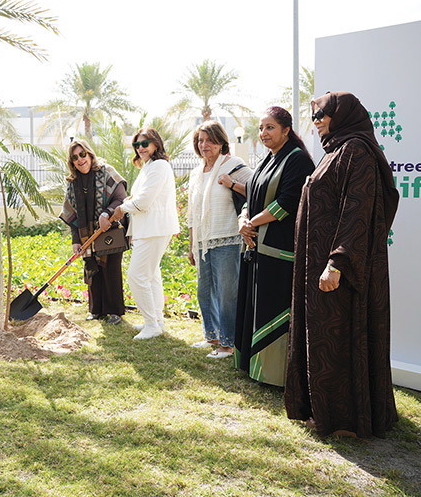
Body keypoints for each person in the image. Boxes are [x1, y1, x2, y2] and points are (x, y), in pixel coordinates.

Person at [285, 92, 400, 438]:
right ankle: (324, 410)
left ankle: (345, 420)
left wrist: (337, 262)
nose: (317, 121)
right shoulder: (335, 151)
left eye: (322, 114)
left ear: (344, 115)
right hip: (319, 262)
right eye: (314, 116)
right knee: (324, 336)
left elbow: (357, 210)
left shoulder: (357, 152)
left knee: (337, 337)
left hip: (342, 269)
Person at [233, 107, 314, 387]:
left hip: (279, 252)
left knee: (273, 309)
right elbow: (251, 194)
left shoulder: (298, 159)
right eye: (261, 128)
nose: (263, 133)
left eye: (270, 127)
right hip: (256, 247)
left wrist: (251, 223)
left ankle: (274, 375)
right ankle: (253, 366)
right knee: (255, 306)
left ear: (286, 130)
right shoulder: (268, 158)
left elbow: (288, 202)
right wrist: (243, 219)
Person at [187, 120, 253, 359]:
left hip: (227, 239)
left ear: (221, 142)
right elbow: (192, 213)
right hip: (203, 241)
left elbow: (257, 189)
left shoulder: (233, 165)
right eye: (200, 140)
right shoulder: (197, 172)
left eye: (210, 140)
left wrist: (231, 183)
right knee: (204, 291)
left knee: (226, 294)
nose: (204, 145)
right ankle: (212, 336)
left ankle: (228, 344)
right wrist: (192, 245)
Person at [111, 127, 179, 340]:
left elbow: (143, 202)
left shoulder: (159, 166)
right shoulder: (148, 166)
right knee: (151, 276)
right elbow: (139, 198)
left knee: (137, 276)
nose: (140, 148)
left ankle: (151, 324)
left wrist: (122, 208)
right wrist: (129, 203)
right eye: (137, 145)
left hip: (155, 228)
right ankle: (156, 321)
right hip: (147, 228)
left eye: (144, 144)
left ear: (156, 144)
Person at [60, 139, 128, 325]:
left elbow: (121, 198)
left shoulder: (107, 172)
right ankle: (96, 310)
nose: (80, 160)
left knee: (111, 269)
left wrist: (106, 214)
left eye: (83, 154)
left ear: (90, 155)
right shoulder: (72, 183)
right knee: (92, 269)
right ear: (72, 162)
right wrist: (76, 240)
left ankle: (114, 311)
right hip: (87, 235)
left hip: (110, 230)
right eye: (75, 158)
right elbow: (71, 214)